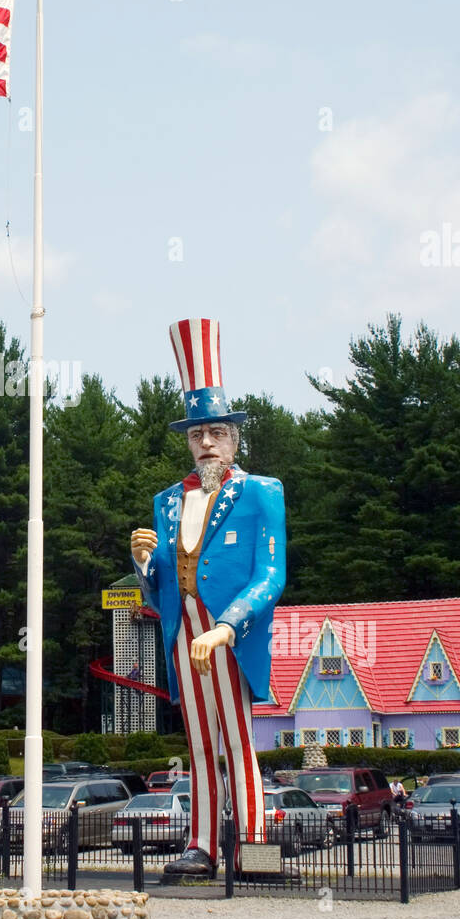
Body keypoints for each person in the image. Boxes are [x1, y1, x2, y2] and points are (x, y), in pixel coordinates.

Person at [130, 318, 286, 877]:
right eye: (197, 434)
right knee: (197, 743)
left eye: (215, 432)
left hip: (226, 633)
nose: (206, 442)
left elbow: (271, 576)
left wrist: (228, 625)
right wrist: (145, 564)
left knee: (239, 740)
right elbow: (162, 583)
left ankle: (253, 839)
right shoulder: (167, 501)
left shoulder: (262, 492)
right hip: (183, 633)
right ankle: (202, 844)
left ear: (234, 438)